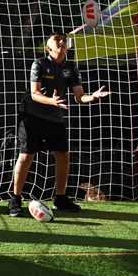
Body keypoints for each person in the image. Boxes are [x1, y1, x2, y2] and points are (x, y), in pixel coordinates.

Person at [9, 32, 111, 217]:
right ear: (48, 47)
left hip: (54, 116)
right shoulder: (39, 64)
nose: (62, 42)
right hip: (31, 115)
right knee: (27, 155)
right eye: (57, 39)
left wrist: (92, 97)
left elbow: (79, 97)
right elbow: (34, 93)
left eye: (64, 40)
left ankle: (61, 198)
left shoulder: (71, 67)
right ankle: (15, 199)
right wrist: (51, 101)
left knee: (63, 155)